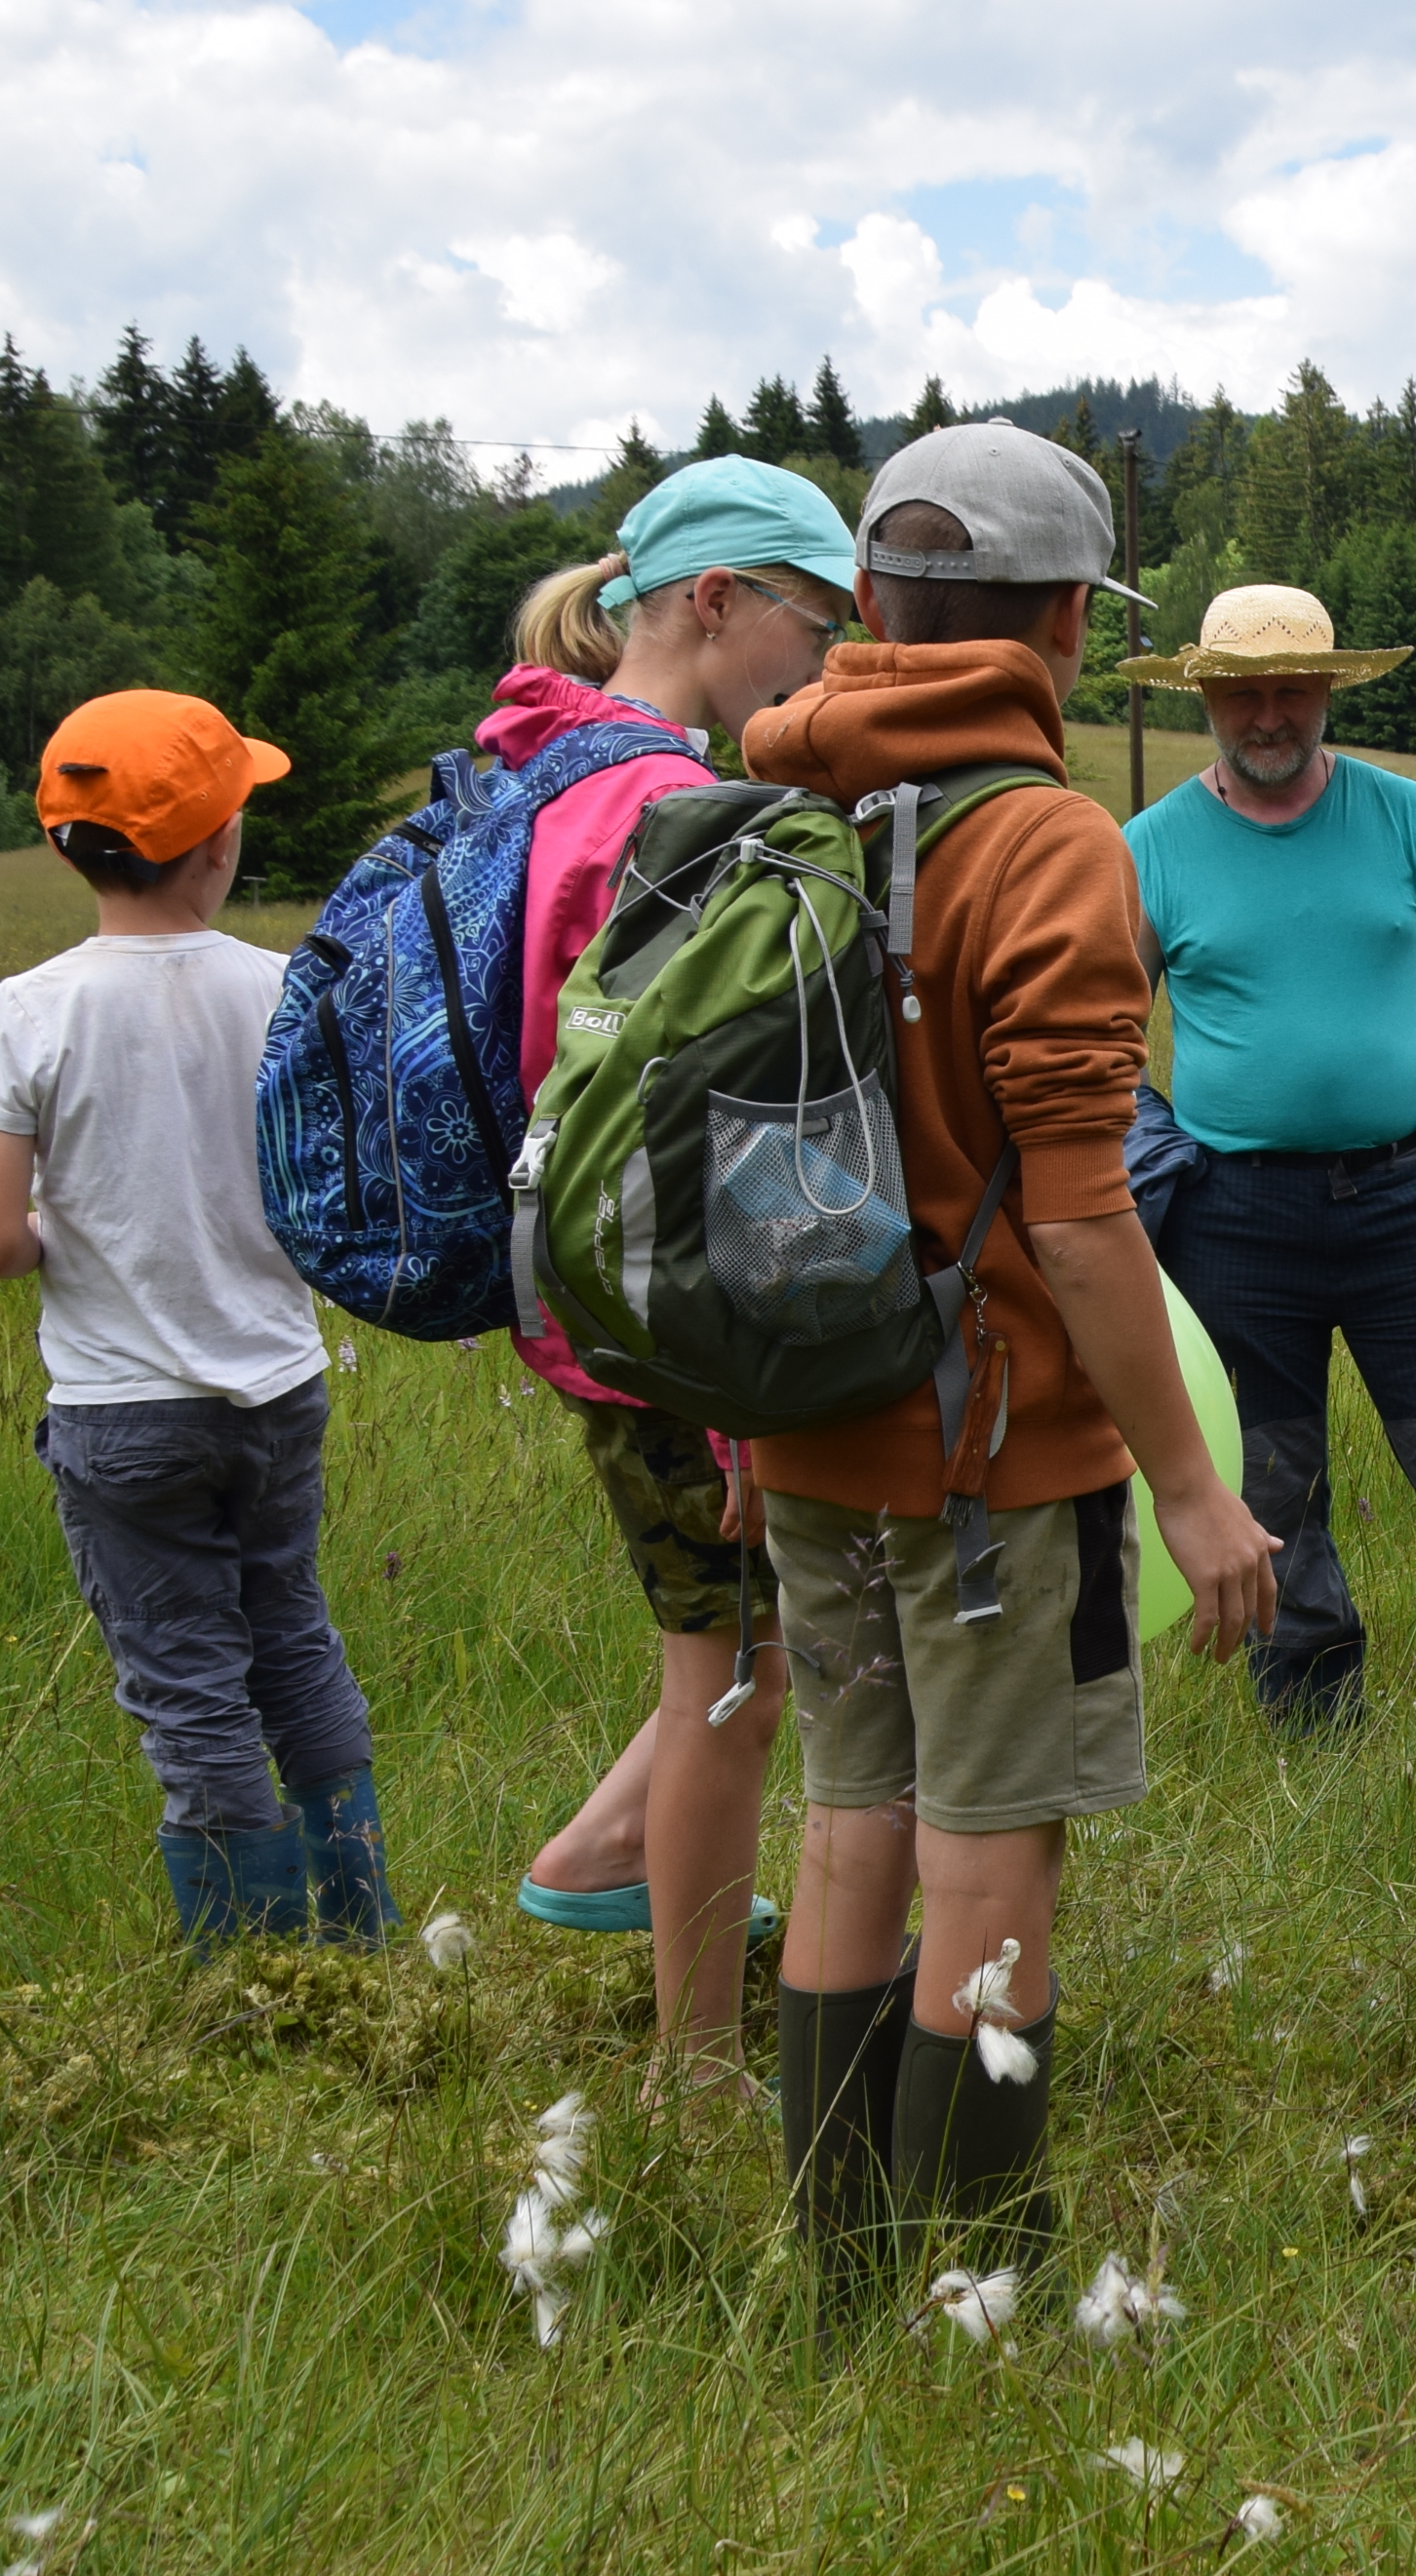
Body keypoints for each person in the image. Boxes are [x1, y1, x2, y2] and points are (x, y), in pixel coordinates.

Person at [744, 425, 1278, 2295]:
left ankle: (839, 2260)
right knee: (989, 1848)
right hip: (992, 1456)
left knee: (848, 1821)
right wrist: (1195, 1492)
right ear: (1062, 621)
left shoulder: (775, 808)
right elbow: (1074, 1211)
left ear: (874, 606)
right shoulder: (1039, 837)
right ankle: (975, 2264)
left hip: (803, 1422)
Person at [492, 460, 862, 2085]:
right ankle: (697, 2059)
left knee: (729, 1654)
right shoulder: (672, 813)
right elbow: (714, 1103)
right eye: (814, 613)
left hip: (581, 1277)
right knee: (735, 1685)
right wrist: (746, 1402)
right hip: (670, 1313)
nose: (827, 652)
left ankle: (591, 1866)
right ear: (717, 600)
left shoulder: (546, 769)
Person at [0, 692, 378, 1951]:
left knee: (189, 1683)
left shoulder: (27, 1013)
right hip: (279, 1392)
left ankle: (257, 1977)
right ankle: (356, 1931)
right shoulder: (285, 993)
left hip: (124, 1414)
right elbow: (319, 1182)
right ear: (221, 839)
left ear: (65, 846)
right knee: (291, 1639)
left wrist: (56, 1243)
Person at [1121, 588, 1416, 1732]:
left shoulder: (1402, 815)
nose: (1268, 714)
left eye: (1292, 690)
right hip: (1227, 1211)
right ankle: (1314, 1723)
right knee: (1269, 1484)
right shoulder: (1148, 846)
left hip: (1409, 1200)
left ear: (1330, 690)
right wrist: (1143, 1144)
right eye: (1243, 692)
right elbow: (1102, 1024)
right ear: (1207, 700)